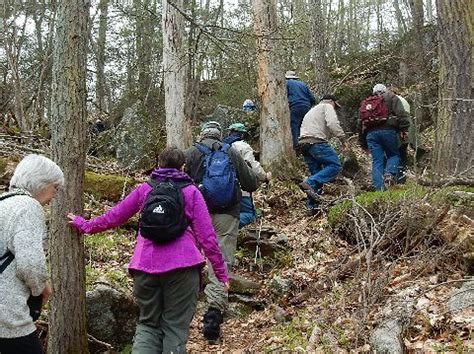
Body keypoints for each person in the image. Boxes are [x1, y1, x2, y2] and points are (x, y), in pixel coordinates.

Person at [68, 146, 229, 354]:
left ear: (158, 164)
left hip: (144, 267)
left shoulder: (145, 190)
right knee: (175, 328)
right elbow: (208, 239)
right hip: (183, 268)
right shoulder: (191, 193)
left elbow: (115, 216)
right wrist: (221, 274)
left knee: (148, 325)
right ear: (183, 167)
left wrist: (85, 225)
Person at [185, 121, 257, 343]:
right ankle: (213, 314)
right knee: (222, 260)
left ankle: (186, 306)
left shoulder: (191, 154)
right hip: (227, 214)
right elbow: (251, 183)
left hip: (197, 213)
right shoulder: (232, 152)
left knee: (192, 256)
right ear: (220, 135)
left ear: (202, 134)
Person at [1, 154, 63, 354]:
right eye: (55, 188)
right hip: (9, 315)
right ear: (41, 183)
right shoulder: (28, 207)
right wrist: (41, 289)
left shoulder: (3, 203)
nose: (54, 195)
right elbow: (30, 264)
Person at [297, 95, 346, 215]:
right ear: (332, 102)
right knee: (335, 166)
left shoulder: (312, 110)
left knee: (317, 174)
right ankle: (309, 182)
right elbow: (333, 123)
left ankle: (312, 207)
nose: (335, 108)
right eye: (336, 106)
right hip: (316, 141)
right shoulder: (327, 106)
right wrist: (343, 139)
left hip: (304, 143)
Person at [359, 84, 410, 190]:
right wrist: (404, 129)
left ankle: (379, 190)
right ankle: (389, 174)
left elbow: (360, 123)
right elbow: (401, 114)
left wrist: (363, 142)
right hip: (388, 131)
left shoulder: (366, 103)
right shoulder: (391, 97)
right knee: (394, 155)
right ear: (385, 90)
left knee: (377, 161)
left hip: (371, 134)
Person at [223, 123, 271, 228]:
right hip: (241, 188)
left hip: (223, 189)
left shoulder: (221, 146)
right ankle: (228, 226)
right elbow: (252, 166)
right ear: (242, 135)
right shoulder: (242, 146)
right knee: (251, 215)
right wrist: (265, 176)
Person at [285, 70, 317, 149]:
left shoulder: (286, 83)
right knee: (305, 125)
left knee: (294, 125)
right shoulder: (303, 84)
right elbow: (312, 98)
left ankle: (296, 145)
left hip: (295, 106)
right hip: (307, 107)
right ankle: (309, 143)